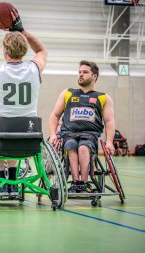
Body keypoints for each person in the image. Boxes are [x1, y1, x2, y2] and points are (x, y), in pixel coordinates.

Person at [0, 9, 47, 197]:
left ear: (5, 51)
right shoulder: (34, 69)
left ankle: (2, 185)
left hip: (3, 134)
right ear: (24, 50)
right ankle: (14, 184)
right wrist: (22, 30)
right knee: (15, 132)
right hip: (29, 135)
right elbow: (41, 50)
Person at [48, 60, 115, 193]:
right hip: (69, 134)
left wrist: (109, 142)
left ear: (94, 76)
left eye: (85, 72)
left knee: (83, 148)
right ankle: (75, 182)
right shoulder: (67, 93)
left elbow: (109, 121)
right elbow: (54, 115)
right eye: (79, 72)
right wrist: (52, 134)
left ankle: (84, 183)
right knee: (71, 146)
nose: (81, 74)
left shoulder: (103, 97)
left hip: (90, 135)